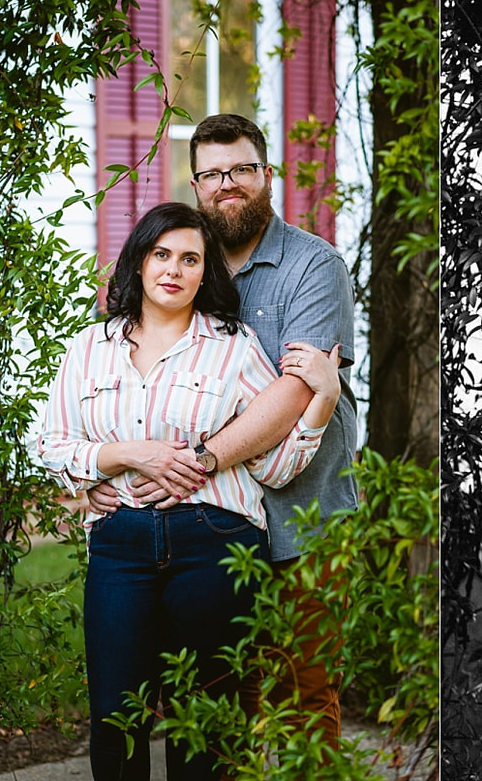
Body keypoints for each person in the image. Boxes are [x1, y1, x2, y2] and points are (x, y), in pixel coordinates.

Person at [36, 202, 341, 780]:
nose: (174, 269)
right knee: (116, 718)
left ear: (206, 273)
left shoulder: (235, 347)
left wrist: (321, 402)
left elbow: (273, 469)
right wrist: (124, 456)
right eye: (161, 254)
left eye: (191, 258)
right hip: (120, 547)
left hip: (217, 542)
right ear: (140, 261)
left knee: (207, 719)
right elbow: (53, 445)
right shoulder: (88, 348)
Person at [87, 113, 358, 751]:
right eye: (211, 174)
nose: (226, 184)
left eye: (240, 169)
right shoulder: (184, 262)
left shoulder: (313, 266)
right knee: (217, 696)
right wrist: (108, 471)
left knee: (303, 687)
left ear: (266, 174)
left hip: (299, 513)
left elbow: (296, 391)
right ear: (197, 183)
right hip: (207, 525)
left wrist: (200, 461)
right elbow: (130, 369)